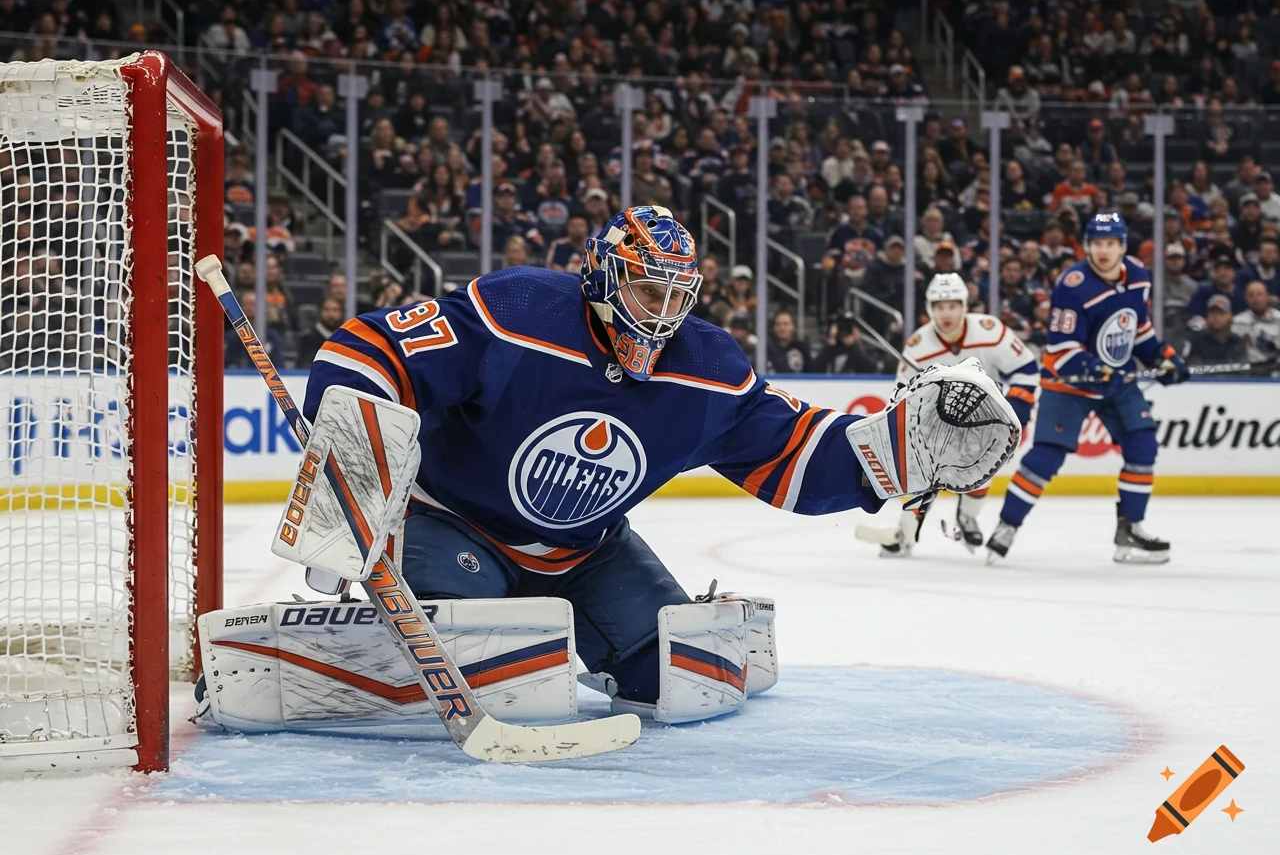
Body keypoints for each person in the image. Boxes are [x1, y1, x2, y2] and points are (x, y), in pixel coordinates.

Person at [302, 206, 1017, 722]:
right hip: (451, 521)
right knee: (491, 668)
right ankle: (335, 650)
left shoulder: (706, 370)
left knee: (686, 682)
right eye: (650, 291)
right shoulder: (516, 311)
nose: (663, 314)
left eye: (679, 297)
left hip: (586, 550)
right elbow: (371, 350)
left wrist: (898, 452)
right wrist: (347, 494)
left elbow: (794, 452)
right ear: (605, 279)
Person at [987, 213, 1191, 565]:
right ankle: (1007, 525)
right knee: (1046, 456)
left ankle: (1130, 528)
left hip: (1117, 382)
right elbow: (1061, 348)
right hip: (1068, 382)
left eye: (1111, 244)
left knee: (1142, 445)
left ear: (1122, 246)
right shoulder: (1073, 284)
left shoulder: (1139, 277)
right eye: (1097, 244)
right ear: (1088, 246)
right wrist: (1094, 368)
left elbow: (1136, 329)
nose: (1104, 251)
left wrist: (1163, 356)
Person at [868, 274, 1038, 558]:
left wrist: (1016, 412)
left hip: (987, 419)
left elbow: (1026, 369)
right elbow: (901, 395)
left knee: (982, 470)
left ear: (965, 306)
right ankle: (905, 534)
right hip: (936, 423)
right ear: (930, 308)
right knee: (920, 476)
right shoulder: (918, 345)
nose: (945, 313)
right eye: (938, 306)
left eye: (952, 306)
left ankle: (968, 516)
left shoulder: (989, 331)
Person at [1184, 295, 1251, 366]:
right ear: (1207, 317)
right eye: (1212, 313)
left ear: (1230, 317)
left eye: (1221, 313)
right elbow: (1194, 369)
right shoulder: (1197, 342)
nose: (1216, 317)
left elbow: (1242, 370)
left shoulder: (1237, 342)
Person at [1231, 280, 1280, 362]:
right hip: (1250, 370)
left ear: (1267, 296)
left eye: (1259, 294)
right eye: (1251, 295)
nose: (1256, 299)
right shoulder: (1238, 322)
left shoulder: (1278, 318)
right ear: (1246, 298)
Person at [295, 296, 345, 367]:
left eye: (335, 310)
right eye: (326, 310)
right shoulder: (308, 339)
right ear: (320, 312)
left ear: (341, 313)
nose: (330, 314)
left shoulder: (346, 338)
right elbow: (303, 365)